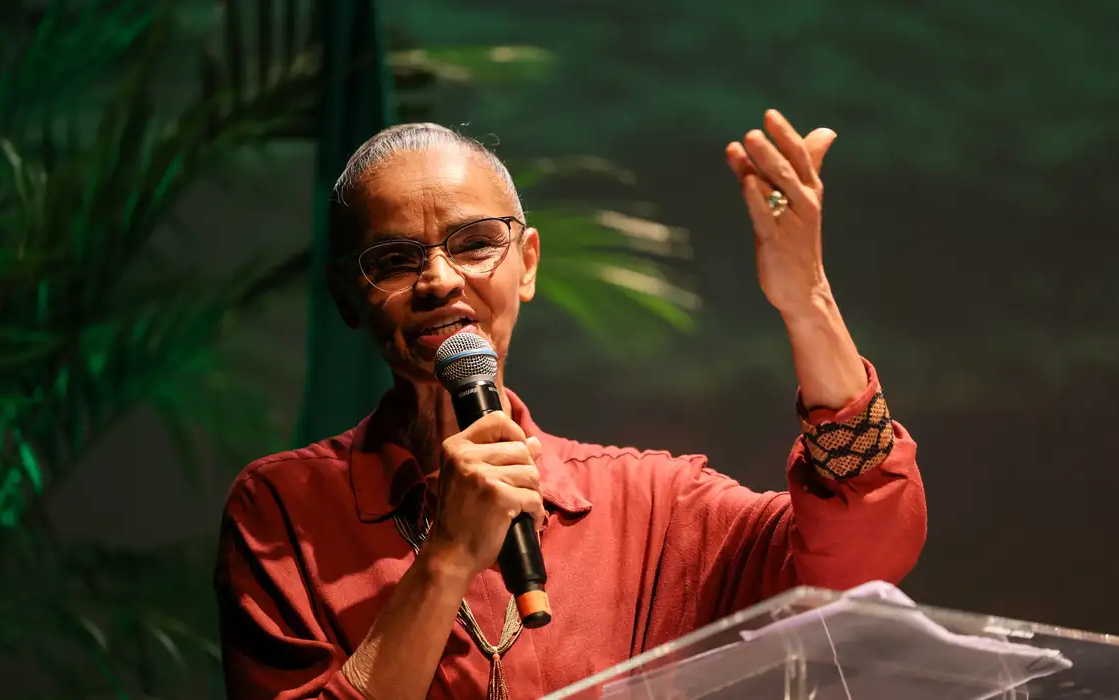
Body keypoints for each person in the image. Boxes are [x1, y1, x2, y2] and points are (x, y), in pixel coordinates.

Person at [214, 110, 927, 700]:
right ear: (347, 296)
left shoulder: (650, 506)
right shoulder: (285, 511)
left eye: (475, 244)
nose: (439, 280)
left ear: (527, 264)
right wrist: (448, 557)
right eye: (395, 260)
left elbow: (861, 554)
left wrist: (808, 302)